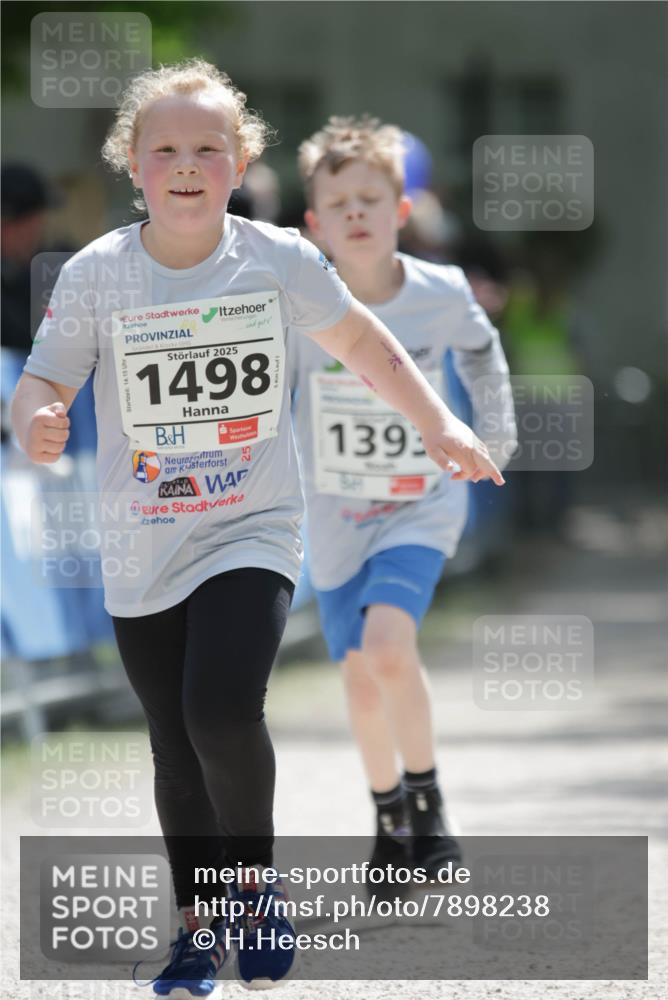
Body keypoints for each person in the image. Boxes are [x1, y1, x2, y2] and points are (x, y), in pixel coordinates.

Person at [11, 66, 503, 997]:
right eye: (166, 149)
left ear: (238, 164)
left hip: (252, 525)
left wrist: (438, 422)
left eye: (208, 149)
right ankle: (197, 929)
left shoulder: (277, 258)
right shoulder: (96, 273)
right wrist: (32, 420)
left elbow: (363, 343)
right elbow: (43, 381)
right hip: (141, 538)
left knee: (219, 709)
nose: (187, 165)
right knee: (172, 741)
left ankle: (255, 883)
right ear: (133, 165)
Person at [290, 117, 517, 885]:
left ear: (402, 212)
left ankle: (430, 805)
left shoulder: (441, 292)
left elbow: (484, 354)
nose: (356, 213)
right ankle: (388, 820)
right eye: (339, 202)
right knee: (359, 671)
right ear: (314, 223)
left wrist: (498, 435)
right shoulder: (297, 300)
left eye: (371, 198)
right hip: (331, 513)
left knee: (387, 646)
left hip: (419, 503)